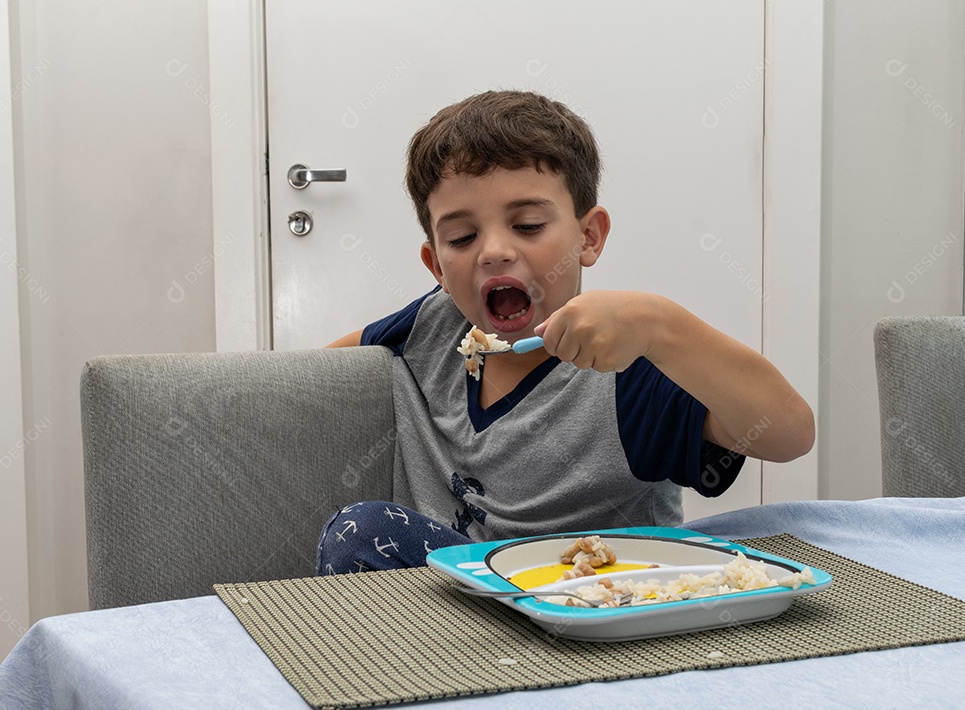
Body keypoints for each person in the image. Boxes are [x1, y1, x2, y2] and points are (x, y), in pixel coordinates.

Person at [315, 90, 813, 576]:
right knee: (361, 534)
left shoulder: (628, 370)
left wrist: (662, 326)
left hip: (589, 610)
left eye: (528, 225)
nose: (493, 251)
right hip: (454, 618)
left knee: (360, 529)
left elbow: (790, 434)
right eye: (462, 237)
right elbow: (315, 376)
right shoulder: (433, 325)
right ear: (437, 267)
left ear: (588, 236)